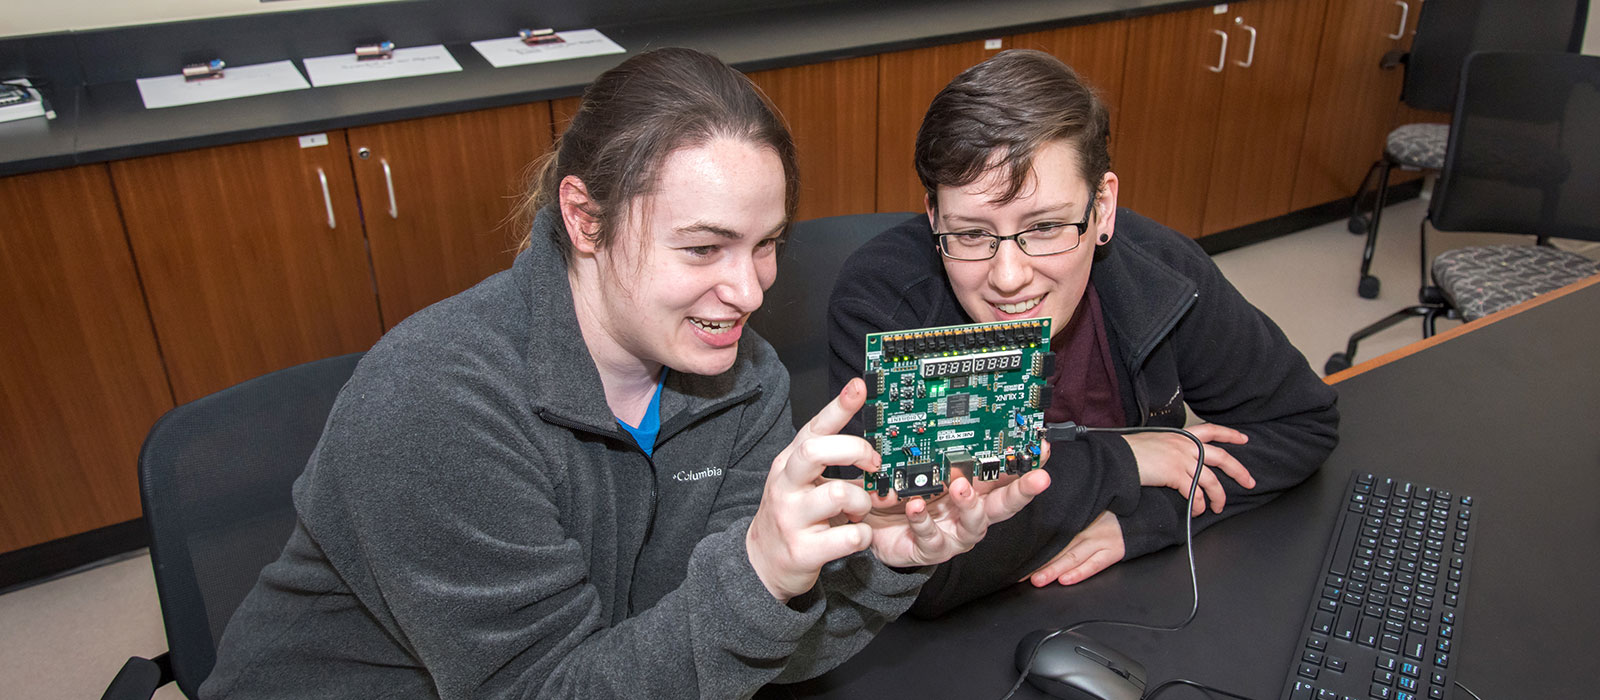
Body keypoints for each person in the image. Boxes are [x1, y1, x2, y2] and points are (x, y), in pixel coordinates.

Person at [201, 48, 1047, 700]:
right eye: (704, 247)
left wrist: (879, 564)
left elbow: (736, 652)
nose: (749, 289)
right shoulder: (433, 403)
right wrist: (754, 577)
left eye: (768, 244)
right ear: (584, 219)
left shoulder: (741, 381)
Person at [826, 50, 1339, 617]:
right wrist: (1122, 462)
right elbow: (918, 560)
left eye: (1044, 227)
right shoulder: (880, 302)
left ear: (1103, 207)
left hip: (1128, 600)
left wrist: (1142, 522)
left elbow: (1300, 424)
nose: (1008, 277)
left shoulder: (1162, 274)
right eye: (971, 234)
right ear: (933, 218)